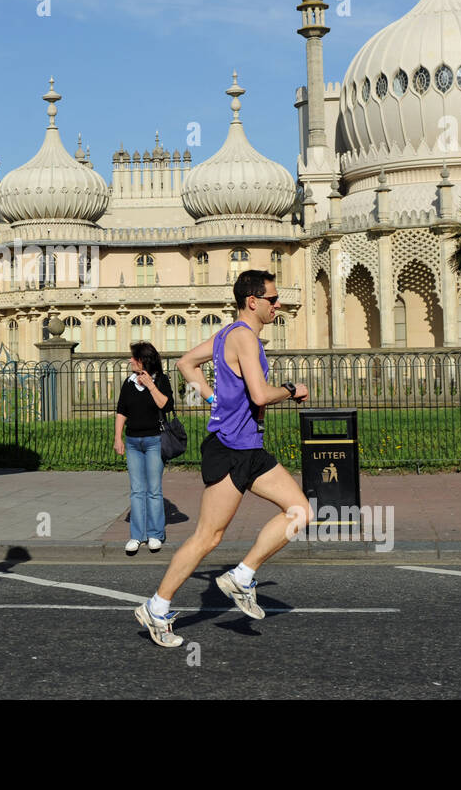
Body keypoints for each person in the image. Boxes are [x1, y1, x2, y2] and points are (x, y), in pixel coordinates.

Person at [134, 270, 312, 648]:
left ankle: (243, 576)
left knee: (299, 512)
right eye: (272, 299)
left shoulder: (227, 335)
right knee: (207, 537)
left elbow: (185, 364)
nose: (277, 304)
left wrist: (213, 398)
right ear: (253, 301)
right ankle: (157, 606)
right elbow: (261, 395)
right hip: (231, 449)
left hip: (248, 447)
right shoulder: (244, 337)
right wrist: (292, 389)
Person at [114, 341, 173, 555]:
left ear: (143, 361)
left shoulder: (161, 380)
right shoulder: (128, 383)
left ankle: (155, 534)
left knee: (154, 491)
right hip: (132, 442)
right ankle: (137, 536)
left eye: (134, 358)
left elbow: (165, 405)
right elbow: (122, 410)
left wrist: (150, 385)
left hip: (154, 441)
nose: (130, 360)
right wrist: (117, 437)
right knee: (137, 491)